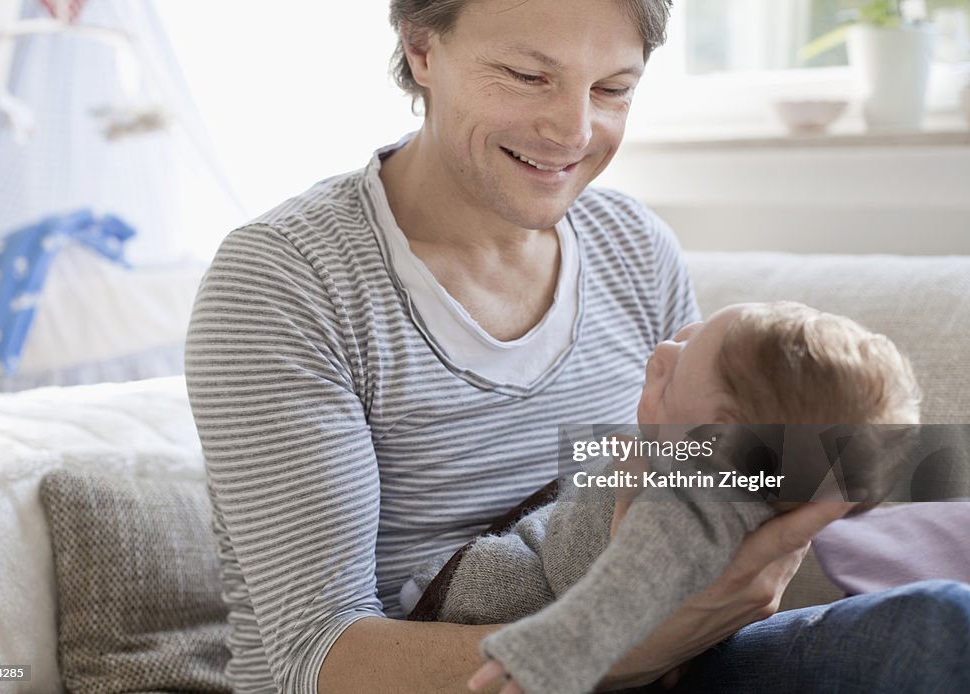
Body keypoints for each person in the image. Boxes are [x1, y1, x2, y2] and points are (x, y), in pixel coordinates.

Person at [185, 1, 970, 692]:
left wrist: (816, 483)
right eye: (529, 75)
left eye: (613, 89)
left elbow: (688, 466)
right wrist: (632, 644)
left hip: (680, 655)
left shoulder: (633, 246)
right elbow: (310, 659)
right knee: (935, 632)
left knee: (939, 614)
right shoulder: (288, 279)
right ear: (421, 47)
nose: (573, 130)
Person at [402, 301, 922, 694]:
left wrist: (548, 656)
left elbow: (625, 587)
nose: (662, 351)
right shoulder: (748, 486)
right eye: (687, 337)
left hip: (506, 601)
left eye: (680, 366)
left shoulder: (692, 497)